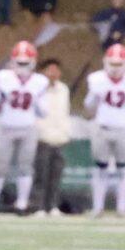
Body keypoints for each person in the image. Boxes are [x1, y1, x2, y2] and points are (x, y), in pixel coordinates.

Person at [82, 42, 125, 216]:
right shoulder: (97, 79)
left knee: (123, 169)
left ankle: (122, 208)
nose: (116, 68)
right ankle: (97, 207)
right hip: (102, 127)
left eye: (119, 64)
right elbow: (88, 106)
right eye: (113, 64)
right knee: (100, 167)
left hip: (124, 128)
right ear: (105, 62)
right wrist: (94, 94)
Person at [0, 42, 46, 214]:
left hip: (28, 127)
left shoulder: (39, 82)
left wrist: (35, 100)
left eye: (25, 62)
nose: (22, 66)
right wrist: (2, 95)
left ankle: (22, 204)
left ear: (33, 62)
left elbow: (44, 112)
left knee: (25, 167)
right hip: (7, 127)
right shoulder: (4, 79)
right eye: (20, 62)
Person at [29, 56, 72, 214]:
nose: (53, 73)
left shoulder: (63, 89)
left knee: (56, 175)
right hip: (42, 137)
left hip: (59, 138)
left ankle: (53, 205)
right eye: (50, 70)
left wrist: (66, 132)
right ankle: (39, 206)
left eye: (56, 70)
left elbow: (64, 112)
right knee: (41, 174)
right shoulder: (37, 88)